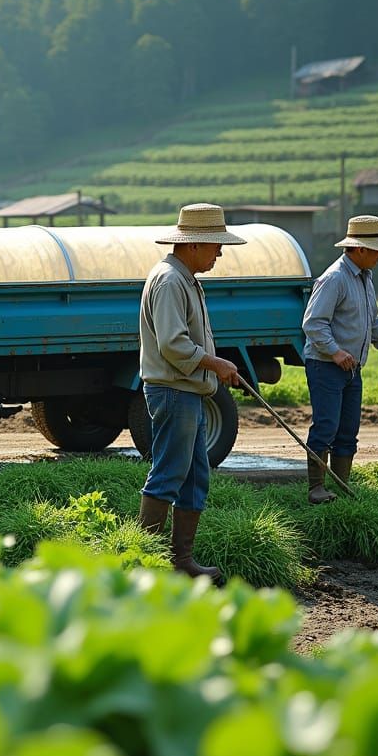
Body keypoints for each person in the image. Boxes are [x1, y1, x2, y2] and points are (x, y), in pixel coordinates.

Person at [137, 203, 244, 581]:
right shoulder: (169, 280)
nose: (220, 253)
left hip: (188, 391)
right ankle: (147, 563)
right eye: (216, 245)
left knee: (196, 476)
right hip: (173, 390)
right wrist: (216, 364)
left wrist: (213, 367)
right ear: (194, 244)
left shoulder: (185, 278)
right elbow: (173, 344)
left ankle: (181, 561)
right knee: (168, 472)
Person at [302, 214, 378, 504]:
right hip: (326, 366)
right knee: (326, 426)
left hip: (352, 368)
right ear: (360, 249)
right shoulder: (334, 278)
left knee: (348, 430)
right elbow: (312, 324)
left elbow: (373, 320)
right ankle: (316, 489)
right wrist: (335, 351)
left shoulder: (365, 278)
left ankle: (341, 486)